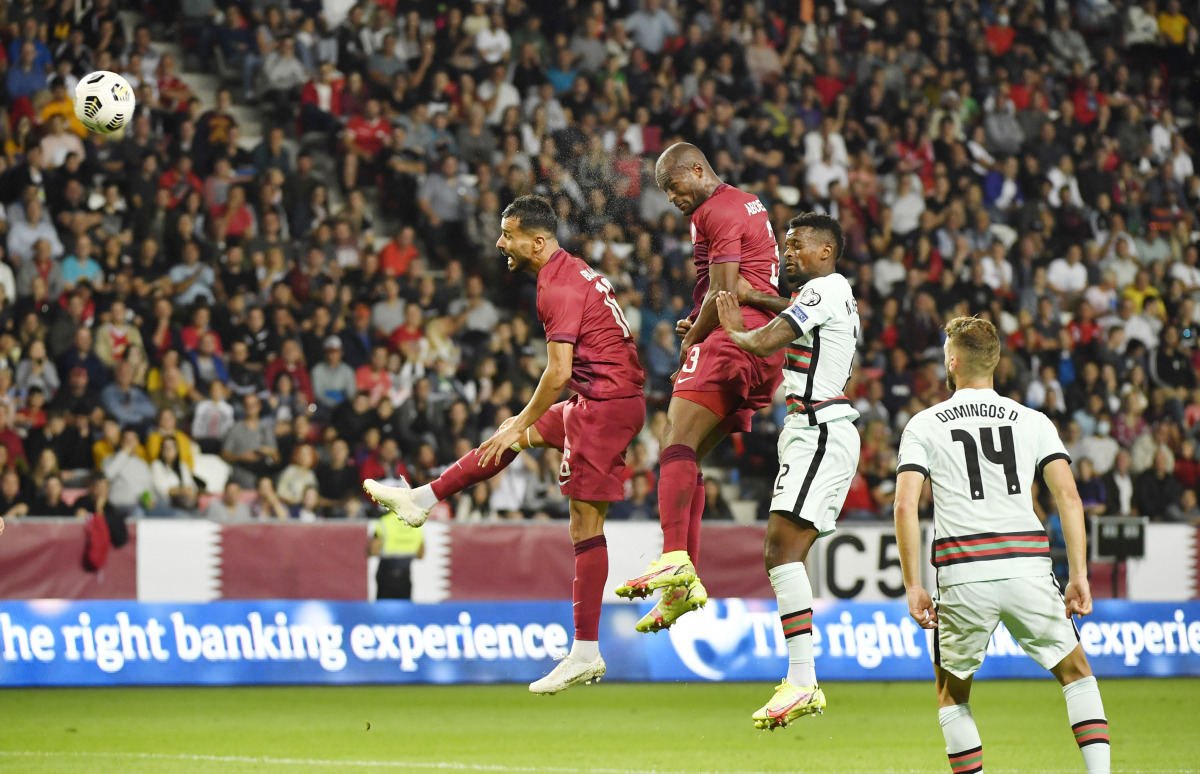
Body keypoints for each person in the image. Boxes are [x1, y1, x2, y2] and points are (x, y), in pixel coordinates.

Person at [363, 196, 646, 695]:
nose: (500, 243)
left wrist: (523, 421)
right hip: (600, 400)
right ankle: (421, 500)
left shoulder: (556, 287)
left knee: (584, 521)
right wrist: (518, 425)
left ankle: (585, 651)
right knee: (505, 437)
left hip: (604, 406)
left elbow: (558, 372)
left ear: (537, 241)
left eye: (509, 234)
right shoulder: (570, 271)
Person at [894, 317, 1109, 774]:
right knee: (1076, 674)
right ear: (994, 363)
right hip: (1027, 566)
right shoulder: (1033, 420)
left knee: (952, 694)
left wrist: (913, 585)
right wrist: (1078, 575)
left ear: (952, 362)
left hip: (963, 572)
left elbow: (904, 506)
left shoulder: (924, 424)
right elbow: (1069, 497)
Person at [616, 143, 784, 633]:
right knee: (687, 454)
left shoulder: (718, 210)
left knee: (673, 443)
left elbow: (726, 290)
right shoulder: (743, 202)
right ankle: (680, 585)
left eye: (674, 185)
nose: (671, 197)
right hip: (759, 344)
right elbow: (730, 283)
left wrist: (694, 338)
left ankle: (675, 560)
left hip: (735, 338)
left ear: (697, 170)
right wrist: (703, 318)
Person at [714, 212, 860, 729]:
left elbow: (765, 342)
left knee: (780, 552)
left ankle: (803, 680)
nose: (788, 253)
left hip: (819, 427)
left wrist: (734, 327)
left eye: (796, 245)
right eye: (786, 244)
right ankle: (802, 679)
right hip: (816, 428)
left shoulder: (822, 290)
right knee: (783, 553)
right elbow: (797, 312)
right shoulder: (832, 293)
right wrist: (756, 301)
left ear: (825, 251)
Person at [370, 505, 425, 600]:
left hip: (386, 575)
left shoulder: (384, 522)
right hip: (405, 576)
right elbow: (420, 554)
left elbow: (373, 551)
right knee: (404, 610)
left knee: (383, 611)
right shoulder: (414, 523)